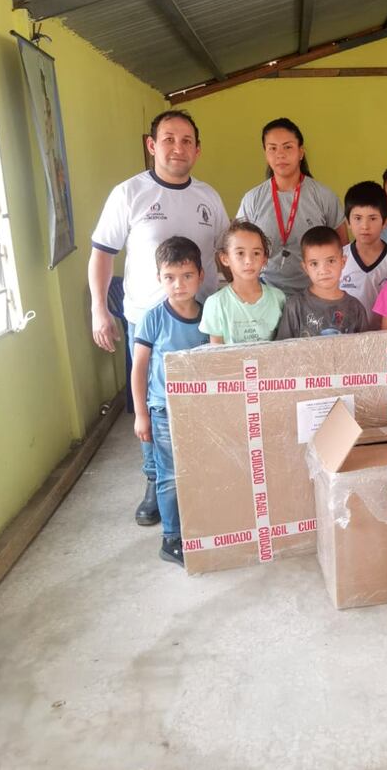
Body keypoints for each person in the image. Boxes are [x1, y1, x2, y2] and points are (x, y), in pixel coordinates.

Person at [89, 109, 229, 526]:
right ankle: (154, 481)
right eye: (168, 139)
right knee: (152, 405)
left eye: (187, 140)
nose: (177, 148)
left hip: (201, 324)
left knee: (200, 403)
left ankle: (199, 477)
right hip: (147, 325)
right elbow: (102, 254)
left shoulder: (208, 197)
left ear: (198, 150)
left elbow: (224, 254)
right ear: (152, 145)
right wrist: (99, 308)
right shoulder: (128, 193)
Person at [131, 237, 209, 566]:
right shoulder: (152, 318)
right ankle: (171, 538)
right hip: (164, 411)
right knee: (169, 474)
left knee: (198, 469)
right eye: (170, 277)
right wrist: (141, 415)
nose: (179, 285)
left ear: (200, 276)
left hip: (199, 410)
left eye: (187, 275)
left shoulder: (208, 314)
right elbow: (139, 369)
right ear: (159, 278)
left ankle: (199, 526)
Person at [237, 118, 348, 295]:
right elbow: (238, 247)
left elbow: (343, 246)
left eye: (287, 147)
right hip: (265, 293)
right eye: (272, 148)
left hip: (314, 294)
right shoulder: (252, 199)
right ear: (266, 153)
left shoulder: (323, 196)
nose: (280, 154)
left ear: (301, 152)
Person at [199, 219, 285, 344]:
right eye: (240, 253)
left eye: (256, 253)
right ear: (225, 258)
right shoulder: (216, 304)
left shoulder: (278, 299)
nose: (249, 260)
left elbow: (283, 348)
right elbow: (216, 356)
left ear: (264, 259)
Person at [277, 226, 368, 339]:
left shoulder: (356, 308)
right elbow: (283, 351)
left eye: (331, 261)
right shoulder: (295, 307)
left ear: (343, 262)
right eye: (314, 264)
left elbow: (365, 351)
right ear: (305, 268)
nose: (323, 270)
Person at [339, 181, 387, 329]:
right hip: (348, 339)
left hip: (386, 339)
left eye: (373, 218)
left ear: (385, 221)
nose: (365, 226)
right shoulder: (338, 258)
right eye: (357, 218)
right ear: (348, 222)